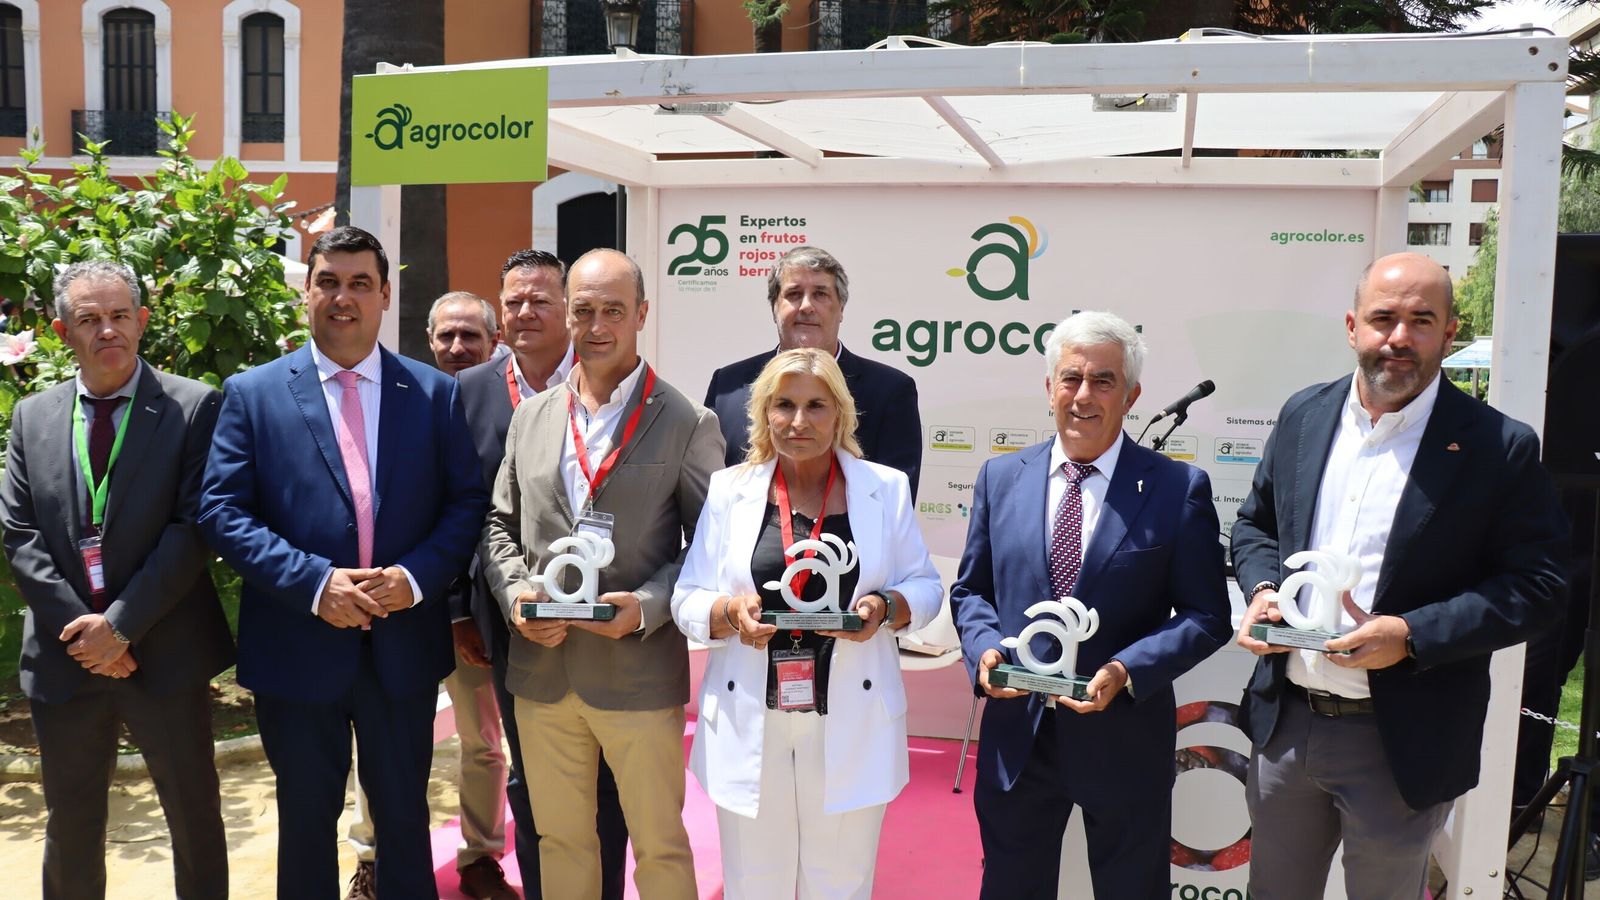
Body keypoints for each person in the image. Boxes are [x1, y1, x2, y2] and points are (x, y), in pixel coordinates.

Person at [1232, 251, 1569, 899]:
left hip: (1403, 740)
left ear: (1450, 332)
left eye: (1421, 320)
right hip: (1288, 728)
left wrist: (1411, 633)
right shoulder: (1304, 416)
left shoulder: (1498, 447)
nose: (1399, 338)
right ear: (1353, 326)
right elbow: (1256, 526)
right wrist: (1263, 590)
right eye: (1384, 318)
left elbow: (1541, 585)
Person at [198, 226, 489, 900]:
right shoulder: (253, 393)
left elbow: (466, 502)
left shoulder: (434, 394)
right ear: (306, 293)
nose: (343, 297)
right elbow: (222, 511)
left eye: (360, 283)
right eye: (328, 281)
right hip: (298, 649)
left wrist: (414, 580)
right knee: (304, 822)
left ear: (386, 294)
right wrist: (313, 583)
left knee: (404, 823)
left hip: (402, 651)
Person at [949, 310, 1231, 900]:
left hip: (1123, 737)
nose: (1083, 395)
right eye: (1071, 378)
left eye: (1103, 381)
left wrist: (1128, 670)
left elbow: (1208, 616)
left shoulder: (1178, 490)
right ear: (1049, 387)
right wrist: (982, 652)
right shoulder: (1000, 478)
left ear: (1131, 395)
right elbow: (972, 590)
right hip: (1018, 741)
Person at [480, 248, 723, 900]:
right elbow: (499, 527)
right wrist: (516, 598)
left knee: (660, 848)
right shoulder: (532, 416)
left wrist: (645, 605)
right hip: (543, 675)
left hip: (637, 673)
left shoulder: (687, 422)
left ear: (641, 314)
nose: (596, 326)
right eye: (583, 310)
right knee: (560, 843)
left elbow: (710, 546)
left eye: (612, 310)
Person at [672, 347, 942, 898]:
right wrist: (728, 614)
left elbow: (927, 588)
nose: (799, 422)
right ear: (763, 414)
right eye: (784, 405)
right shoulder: (730, 489)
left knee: (839, 885)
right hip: (753, 711)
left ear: (840, 414)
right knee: (754, 885)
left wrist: (885, 608)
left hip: (852, 711)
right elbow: (687, 598)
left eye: (816, 406)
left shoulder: (884, 488)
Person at [1, 260, 233, 900]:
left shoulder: (193, 408)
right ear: (61, 332)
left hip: (165, 655)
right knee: (70, 823)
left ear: (143, 321)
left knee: (193, 818)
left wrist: (122, 626)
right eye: (90, 319)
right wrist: (87, 635)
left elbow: (194, 528)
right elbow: (19, 534)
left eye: (120, 315)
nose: (108, 330)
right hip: (66, 655)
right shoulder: (32, 417)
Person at [455, 251, 630, 900]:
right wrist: (460, 609)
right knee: (530, 779)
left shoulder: (618, 382)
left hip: (605, 623)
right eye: (514, 302)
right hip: (513, 625)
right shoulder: (469, 392)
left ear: (570, 310)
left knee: (602, 778)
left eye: (540, 301)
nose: (525, 313)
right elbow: (458, 508)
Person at [338, 290, 515, 900]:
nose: (457, 348)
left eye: (471, 336)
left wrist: (464, 611)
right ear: (429, 340)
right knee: (379, 743)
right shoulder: (396, 401)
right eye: (446, 336)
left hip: (470, 614)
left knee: (482, 742)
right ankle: (372, 856)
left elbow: (484, 520)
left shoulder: (510, 409)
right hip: (393, 611)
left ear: (495, 344)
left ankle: (481, 858)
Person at [704, 246, 923, 496]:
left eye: (820, 294)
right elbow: (709, 495)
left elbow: (895, 504)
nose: (806, 306)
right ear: (774, 307)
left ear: (841, 309)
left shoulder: (890, 391)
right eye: (794, 294)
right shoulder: (728, 387)